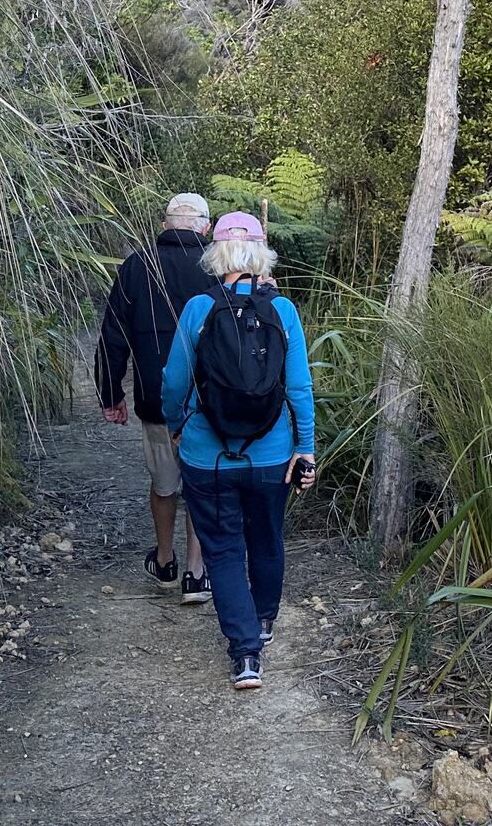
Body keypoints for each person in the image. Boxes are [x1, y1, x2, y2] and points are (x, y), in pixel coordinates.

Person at [162, 211, 317, 691]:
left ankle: (246, 654)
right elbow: (299, 389)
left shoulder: (198, 308)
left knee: (223, 550)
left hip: (207, 456)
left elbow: (173, 382)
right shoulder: (283, 310)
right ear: (261, 252)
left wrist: (176, 427)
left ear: (217, 254)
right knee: (267, 538)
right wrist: (305, 449)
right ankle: (264, 620)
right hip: (271, 455)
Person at [94, 192, 217, 602]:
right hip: (210, 404)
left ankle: (165, 562)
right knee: (202, 484)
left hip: (155, 399)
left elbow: (113, 334)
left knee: (164, 484)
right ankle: (196, 575)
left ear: (165, 226)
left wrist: (111, 393)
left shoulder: (137, 265)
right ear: (206, 227)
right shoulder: (218, 267)